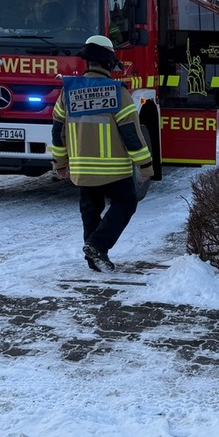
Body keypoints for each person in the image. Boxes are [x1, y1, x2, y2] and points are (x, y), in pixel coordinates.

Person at [51, 35, 154, 272]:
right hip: (114, 169)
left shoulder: (68, 91)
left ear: (88, 62)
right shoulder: (117, 92)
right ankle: (97, 246)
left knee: (90, 211)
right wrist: (145, 166)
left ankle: (94, 261)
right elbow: (131, 134)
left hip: (82, 169)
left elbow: (58, 132)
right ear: (110, 63)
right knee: (126, 203)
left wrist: (60, 163)